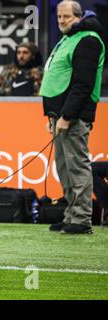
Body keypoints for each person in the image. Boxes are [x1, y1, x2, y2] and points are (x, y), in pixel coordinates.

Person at [40, 1, 105, 234]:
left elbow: (83, 84)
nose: (61, 21)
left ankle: (81, 219)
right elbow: (57, 78)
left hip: (73, 117)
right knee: (65, 168)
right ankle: (71, 215)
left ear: (78, 17)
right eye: (58, 17)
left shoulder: (88, 40)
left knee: (77, 167)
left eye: (66, 17)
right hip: (60, 116)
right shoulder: (69, 38)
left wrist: (67, 116)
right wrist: (51, 114)